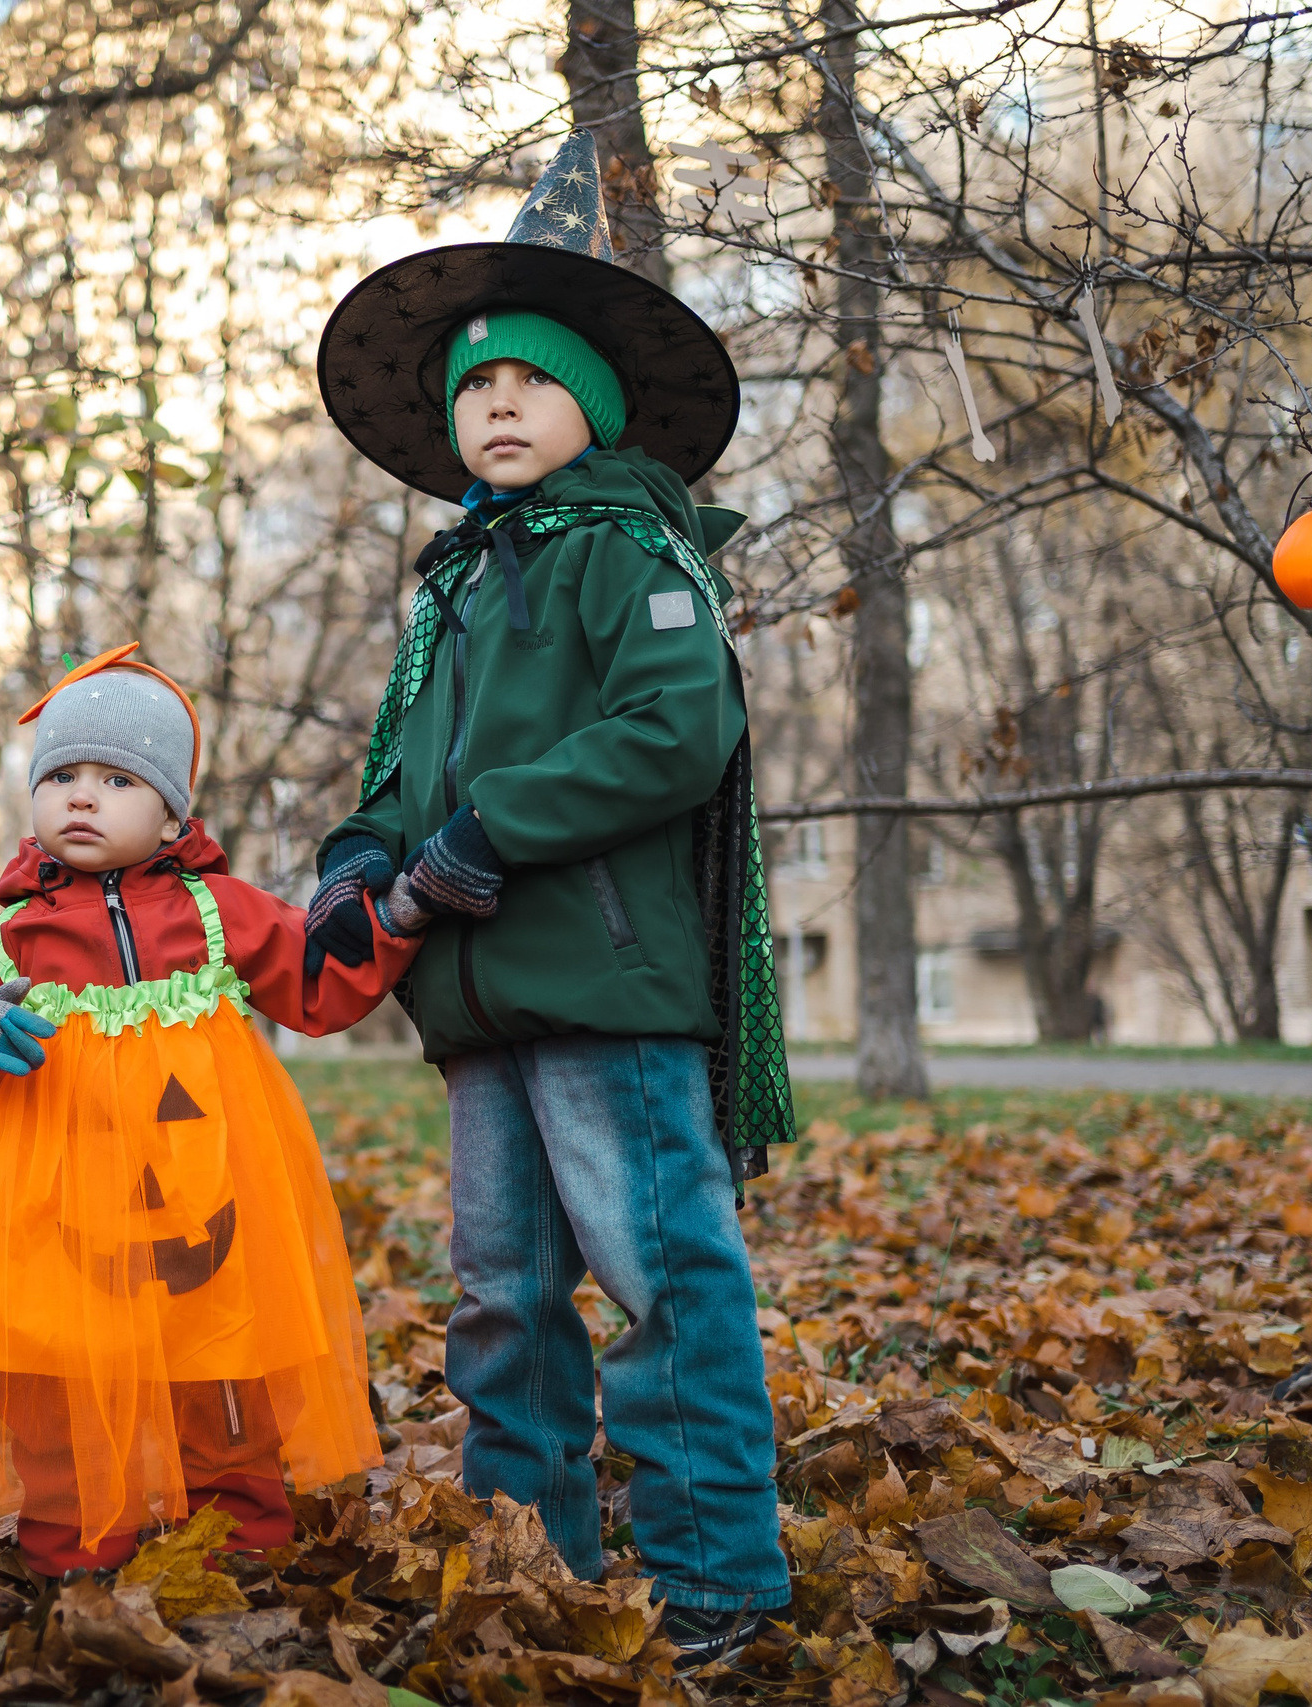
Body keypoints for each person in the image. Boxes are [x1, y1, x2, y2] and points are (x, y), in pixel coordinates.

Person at [305, 131, 797, 1666]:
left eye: (525, 379)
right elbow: (403, 769)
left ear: (589, 400)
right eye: (471, 388)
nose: (495, 404)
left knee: (663, 1274)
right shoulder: (454, 588)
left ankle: (718, 1562)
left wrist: (490, 829)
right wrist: (362, 857)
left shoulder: (628, 548)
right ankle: (534, 1553)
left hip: (607, 989)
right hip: (472, 1000)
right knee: (502, 1297)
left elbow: (676, 731)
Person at [0, 645, 422, 1574]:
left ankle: (238, 1537)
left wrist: (400, 916)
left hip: (204, 1201)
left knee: (225, 1370)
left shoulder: (222, 914)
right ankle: (71, 1541)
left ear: (171, 810)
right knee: (54, 1381)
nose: (81, 796)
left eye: (116, 778)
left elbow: (324, 986)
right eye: (61, 775)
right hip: (56, 1207)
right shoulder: (8, 939)